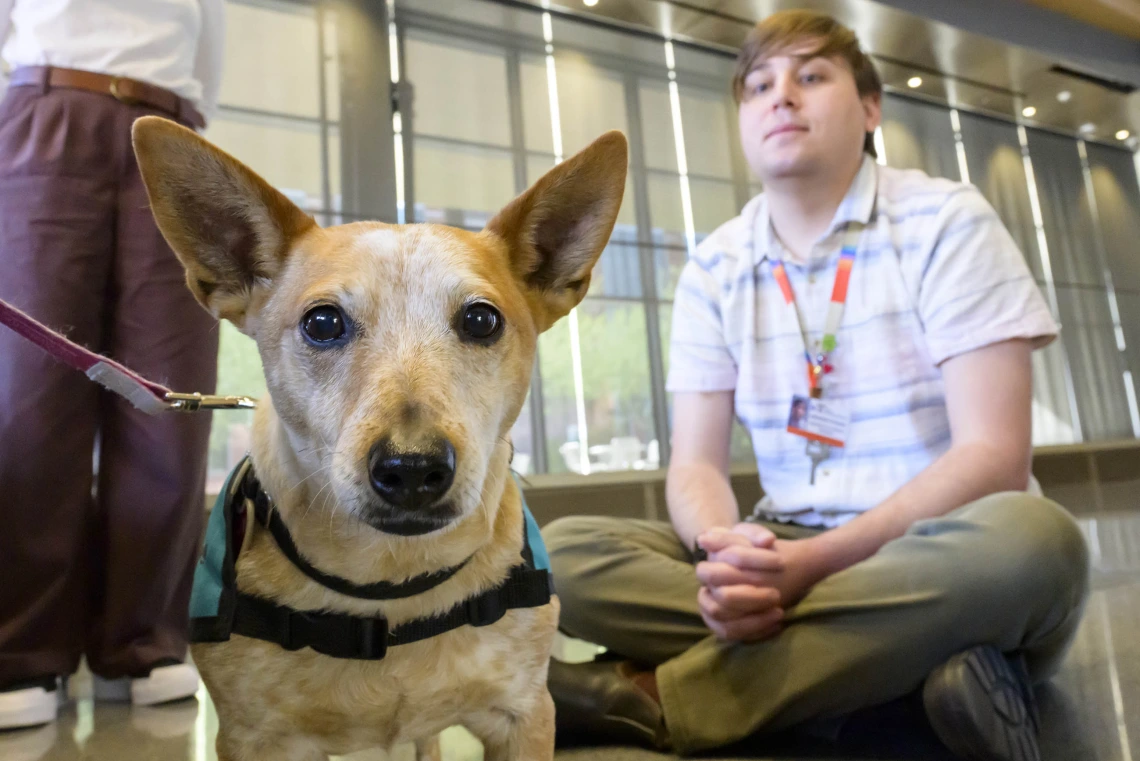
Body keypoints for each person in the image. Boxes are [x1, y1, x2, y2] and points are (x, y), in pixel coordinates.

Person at [544, 10, 1089, 761]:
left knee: (1037, 542)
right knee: (561, 550)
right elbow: (697, 465)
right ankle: (898, 675)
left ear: (869, 109)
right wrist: (727, 551)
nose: (782, 97)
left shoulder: (944, 221)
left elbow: (994, 458)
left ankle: (650, 699)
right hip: (786, 541)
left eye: (811, 76)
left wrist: (812, 569)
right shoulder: (716, 266)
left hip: (939, 547)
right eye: (760, 85)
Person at [0, 0, 225, 729]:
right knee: (31, 388)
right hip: (47, 111)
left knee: (169, 393)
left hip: (172, 129)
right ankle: (22, 648)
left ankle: (146, 637)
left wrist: (188, 126)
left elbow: (208, 49)